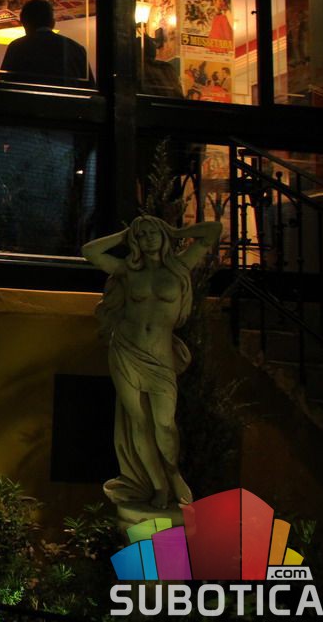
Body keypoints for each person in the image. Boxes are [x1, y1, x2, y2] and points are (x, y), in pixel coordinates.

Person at [82, 216, 222, 510]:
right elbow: (90, 252)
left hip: (159, 357)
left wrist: (175, 231)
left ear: (162, 234)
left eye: (152, 233)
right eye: (141, 235)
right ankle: (158, 486)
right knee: (139, 422)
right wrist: (124, 234)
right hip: (126, 350)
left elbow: (213, 231)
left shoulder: (179, 266)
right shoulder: (128, 270)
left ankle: (173, 473)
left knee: (164, 424)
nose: (147, 238)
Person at [0, 0, 93, 88]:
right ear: (52, 22)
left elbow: (3, 86)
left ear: (24, 22)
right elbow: (90, 90)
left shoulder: (16, 47)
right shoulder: (76, 49)